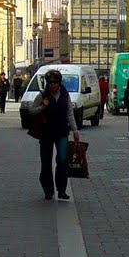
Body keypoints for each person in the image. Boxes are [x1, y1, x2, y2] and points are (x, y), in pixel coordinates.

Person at [29, 69, 80, 200]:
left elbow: (69, 113)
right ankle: (48, 190)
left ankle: (61, 190)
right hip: (46, 133)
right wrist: (43, 107)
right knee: (46, 162)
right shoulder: (42, 95)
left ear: (59, 83)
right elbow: (31, 111)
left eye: (54, 82)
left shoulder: (64, 94)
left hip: (62, 132)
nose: (52, 84)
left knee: (62, 160)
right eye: (50, 82)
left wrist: (75, 130)